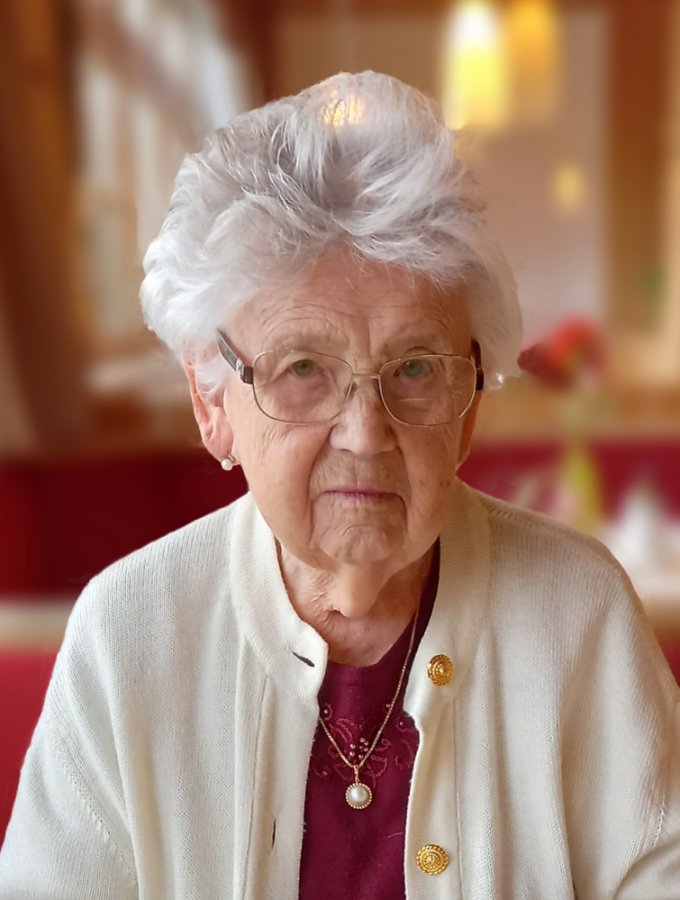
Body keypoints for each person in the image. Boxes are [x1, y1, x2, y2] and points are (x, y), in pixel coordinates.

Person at [1, 71, 678, 899]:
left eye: (416, 368)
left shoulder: (579, 613)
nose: (365, 432)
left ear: (469, 408)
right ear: (213, 403)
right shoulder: (126, 637)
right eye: (303, 369)